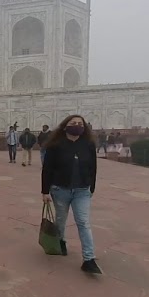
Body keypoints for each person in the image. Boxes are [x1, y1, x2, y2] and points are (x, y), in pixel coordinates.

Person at [41, 115, 101, 274]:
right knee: (61, 220)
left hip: (82, 191)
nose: (77, 126)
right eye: (73, 123)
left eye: (80, 124)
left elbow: (93, 168)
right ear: (65, 126)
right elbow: (47, 169)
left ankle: (89, 259)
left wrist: (91, 188)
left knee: (83, 222)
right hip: (61, 190)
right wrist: (45, 191)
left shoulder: (88, 144)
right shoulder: (55, 145)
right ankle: (60, 241)